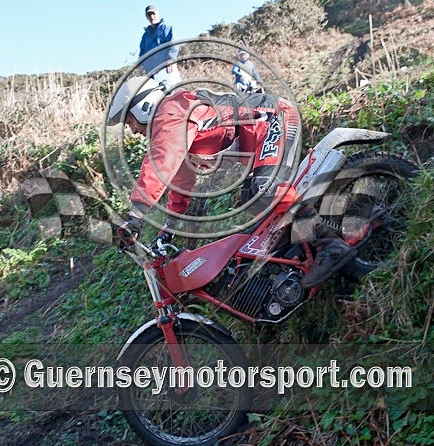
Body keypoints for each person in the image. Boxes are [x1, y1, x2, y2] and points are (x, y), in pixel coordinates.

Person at [108, 77, 355, 288]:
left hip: (273, 118)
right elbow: (180, 183)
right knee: (254, 204)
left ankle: (331, 245)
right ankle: (307, 256)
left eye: (129, 121)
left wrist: (136, 215)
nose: (132, 130)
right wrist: (168, 230)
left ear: (143, 106)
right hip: (259, 137)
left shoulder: (172, 112)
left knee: (265, 189)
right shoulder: (173, 125)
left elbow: (160, 163)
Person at [138, 5, 181, 87]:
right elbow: (142, 52)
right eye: (149, 15)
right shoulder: (145, 35)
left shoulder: (166, 28)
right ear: (146, 17)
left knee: (173, 92)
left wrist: (170, 60)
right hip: (151, 72)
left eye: (153, 13)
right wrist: (141, 65)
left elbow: (173, 44)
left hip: (166, 68)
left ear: (158, 14)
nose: (152, 16)